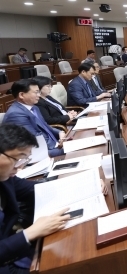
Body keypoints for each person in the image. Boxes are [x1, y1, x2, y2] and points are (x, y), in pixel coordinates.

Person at [0, 124, 71, 273]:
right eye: (18, 158)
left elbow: (35, 189)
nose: (19, 167)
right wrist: (31, 233)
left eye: (25, 159)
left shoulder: (5, 176)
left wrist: (88, 181)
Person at [2, 79, 66, 157]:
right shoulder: (16, 114)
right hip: (39, 153)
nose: (39, 95)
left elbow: (45, 126)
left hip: (53, 145)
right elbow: (36, 139)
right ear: (21, 95)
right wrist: (60, 146)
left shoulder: (34, 107)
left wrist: (59, 132)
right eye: (36, 92)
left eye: (39, 92)